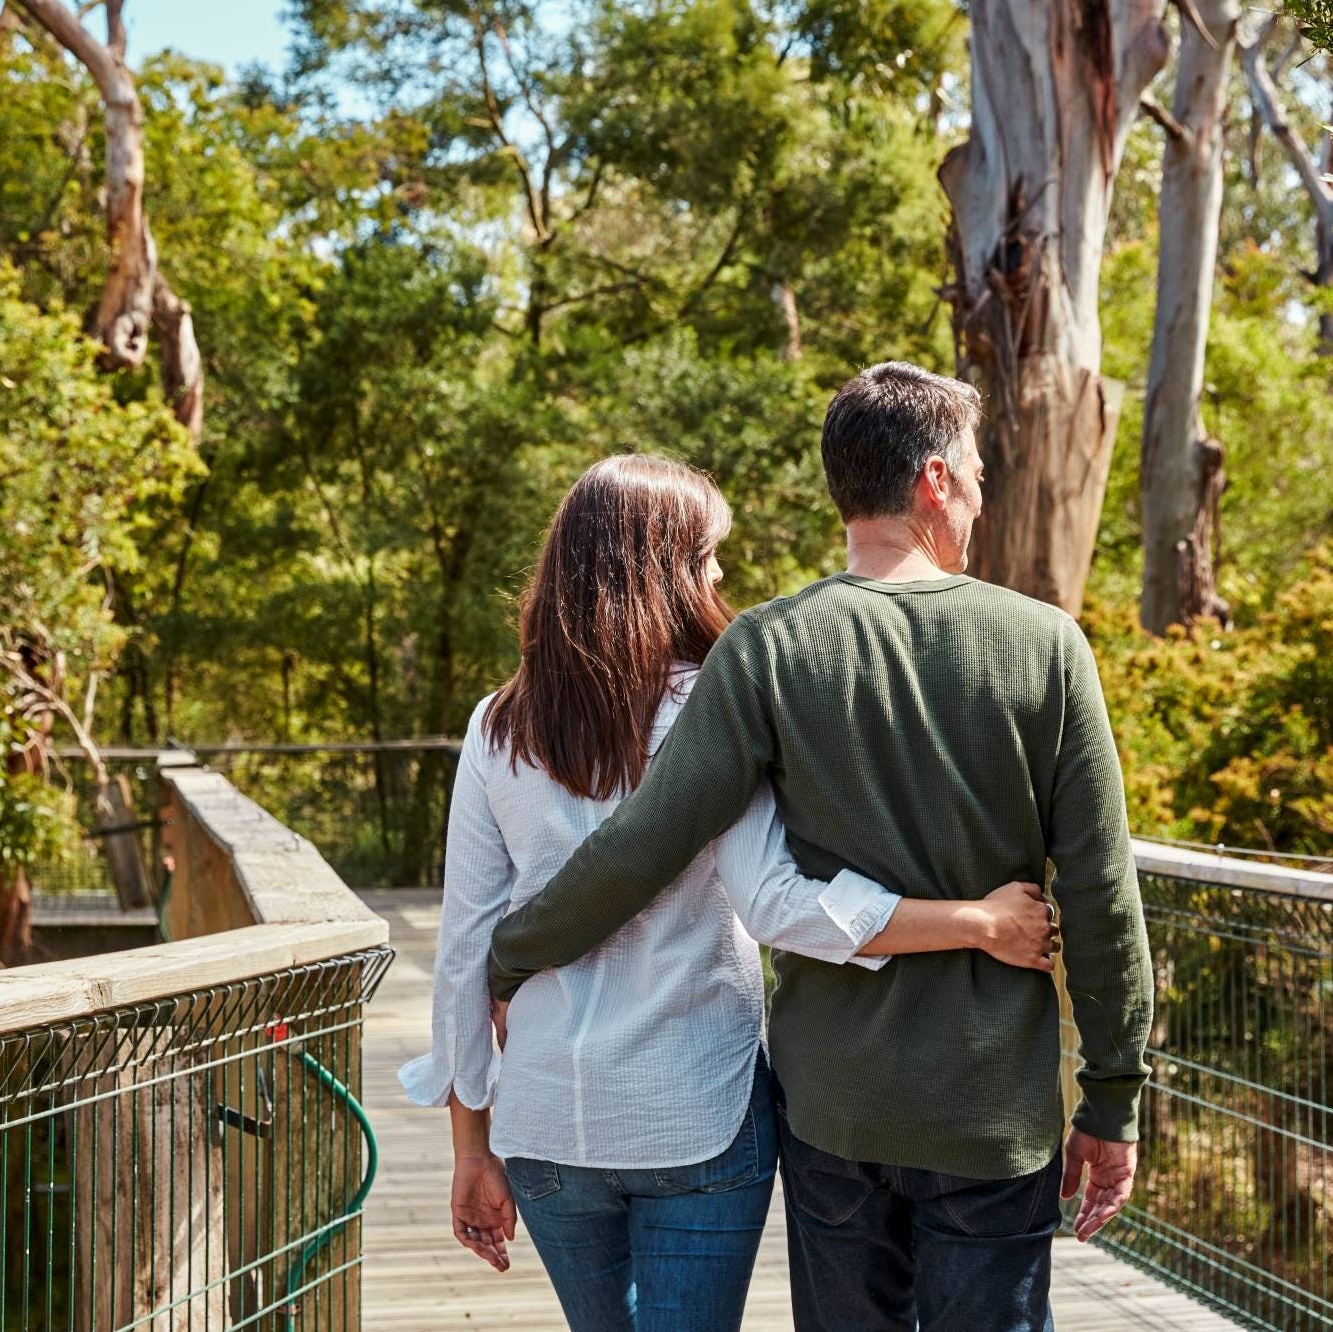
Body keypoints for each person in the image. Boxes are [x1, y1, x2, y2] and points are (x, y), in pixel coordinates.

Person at [489, 364, 1156, 1332]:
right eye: (973, 471)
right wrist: (1112, 1096)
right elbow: (1099, 888)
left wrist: (513, 951)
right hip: (987, 1112)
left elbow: (647, 839)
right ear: (932, 479)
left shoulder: (767, 646)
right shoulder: (1045, 644)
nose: (979, 492)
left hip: (832, 1112)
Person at [401, 452, 1063, 1332]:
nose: (720, 573)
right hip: (698, 1113)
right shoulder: (723, 702)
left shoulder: (499, 725)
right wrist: (973, 921)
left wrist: (469, 1145)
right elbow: (777, 903)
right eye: (709, 553)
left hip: (544, 1121)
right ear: (664, 568)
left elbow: (463, 949)